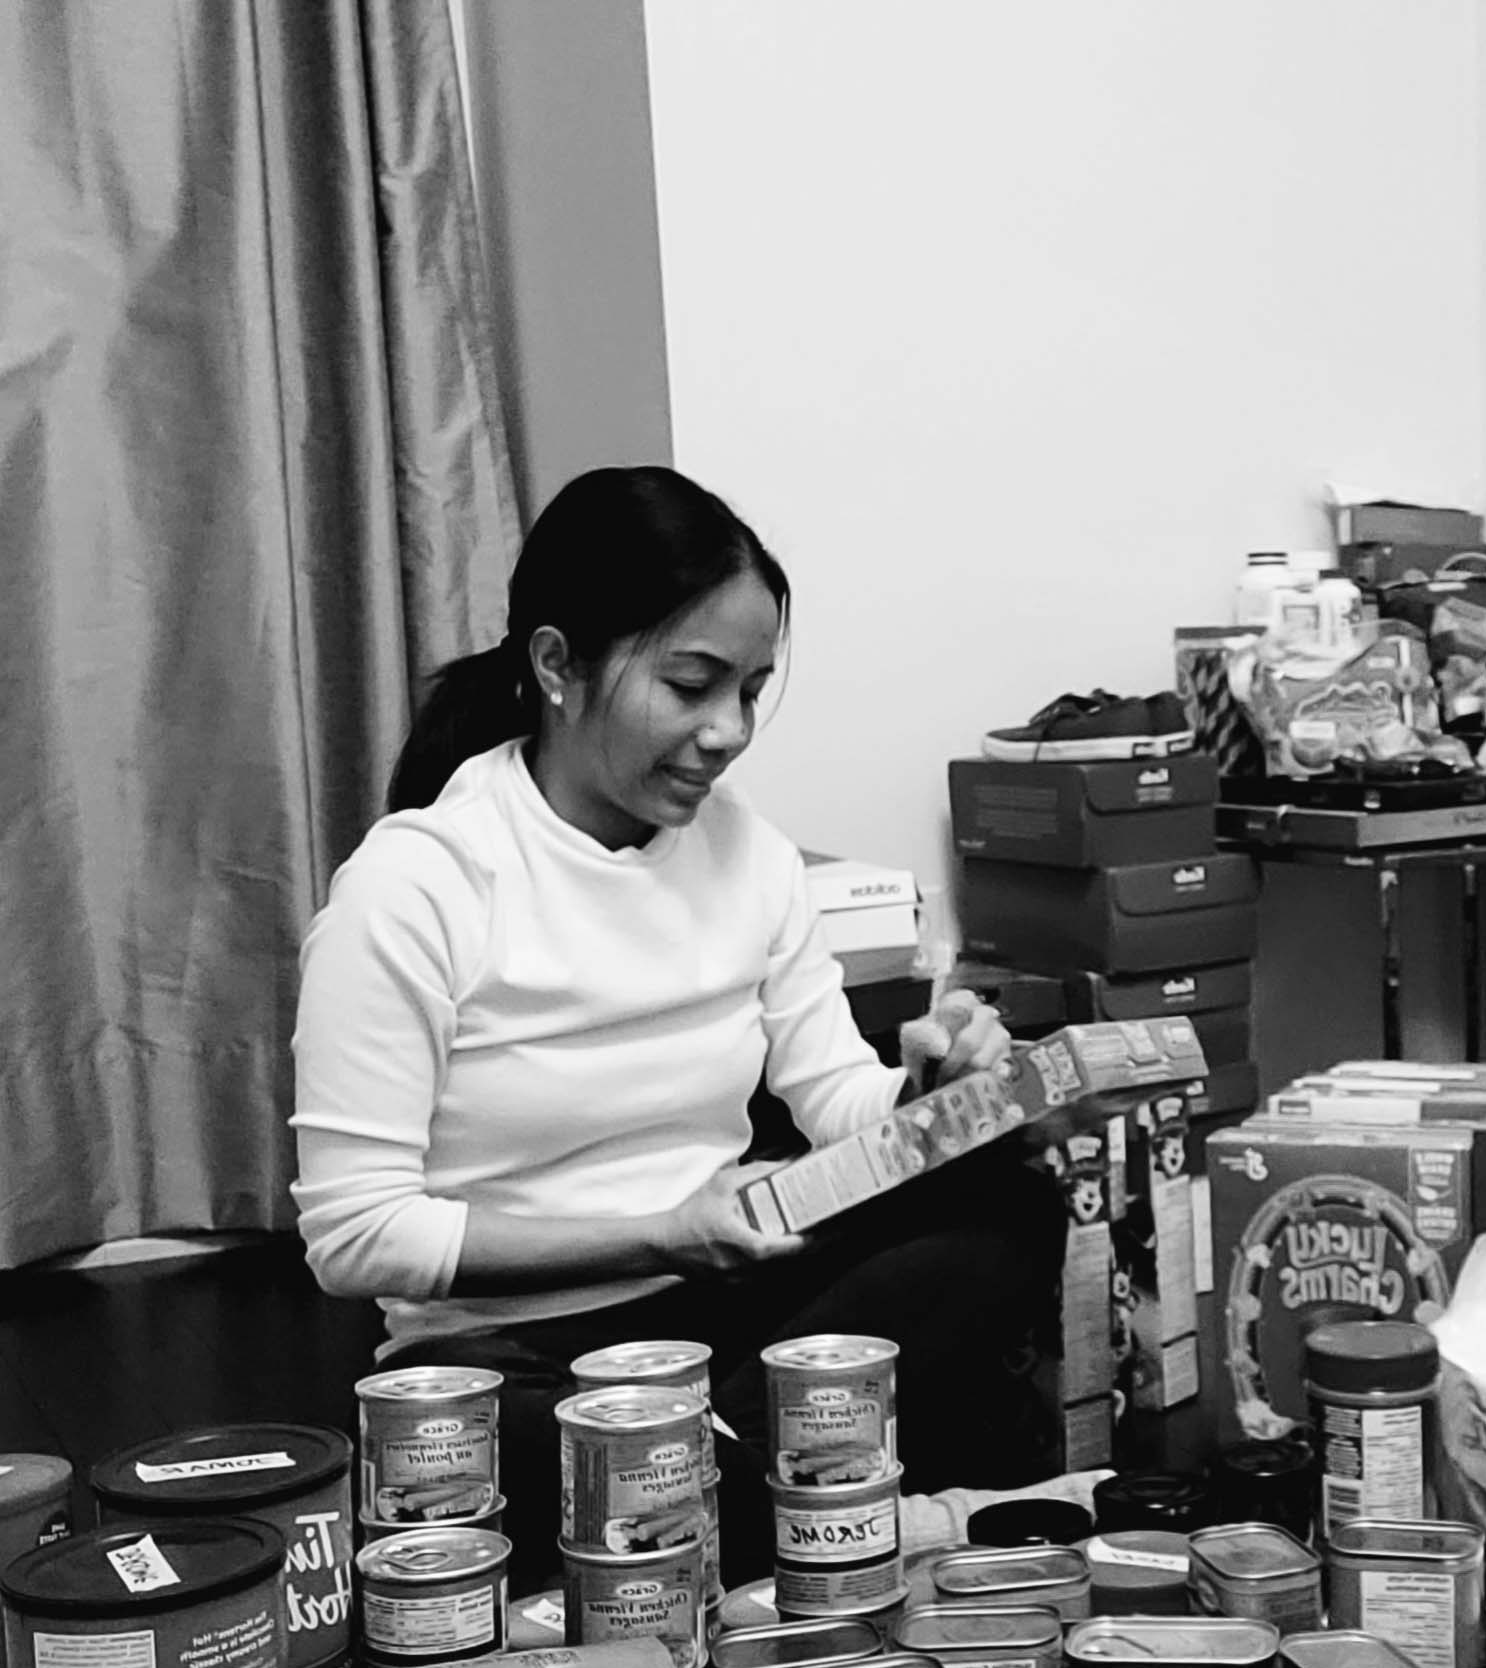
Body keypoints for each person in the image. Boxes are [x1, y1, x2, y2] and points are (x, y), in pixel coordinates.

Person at [292, 465, 1062, 1587]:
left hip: (721, 1303)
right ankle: (786, 1496)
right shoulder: (418, 885)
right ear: (557, 664)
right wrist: (660, 1228)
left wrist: (926, 1096)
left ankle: (713, 1492)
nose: (727, 731)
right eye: (692, 683)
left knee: (1010, 1192)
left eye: (750, 690)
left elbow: (834, 1098)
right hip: (511, 1350)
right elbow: (356, 1235)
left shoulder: (747, 853)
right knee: (489, 1445)